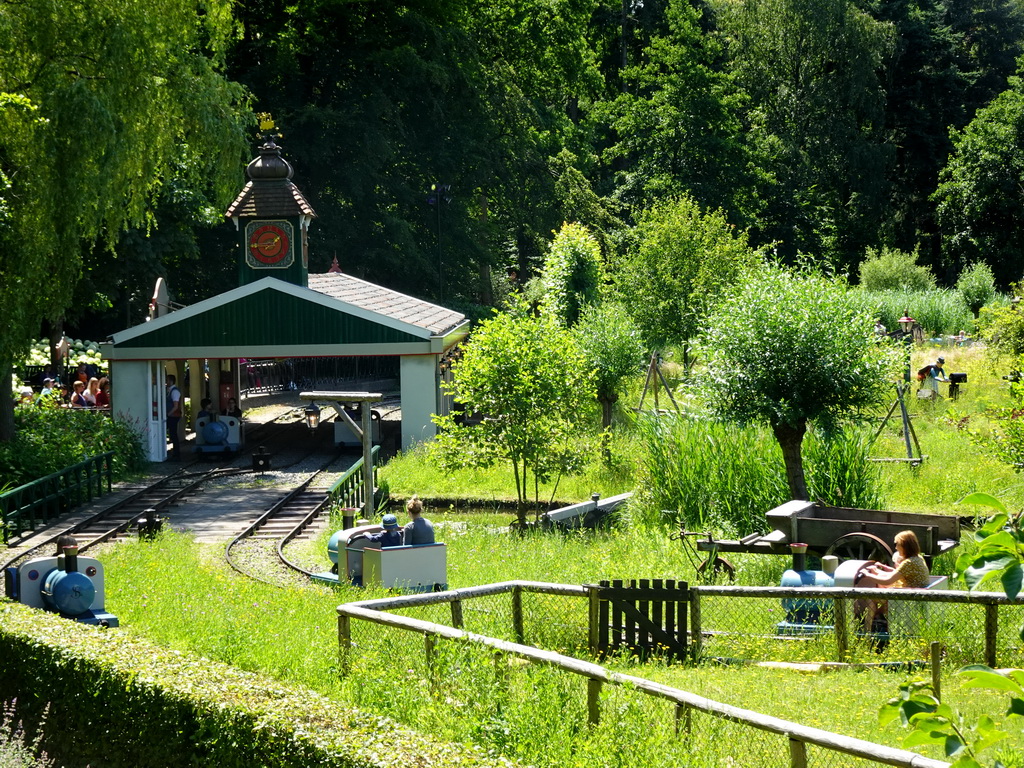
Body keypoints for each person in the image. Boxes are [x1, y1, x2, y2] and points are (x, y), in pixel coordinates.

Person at [855, 530, 930, 630]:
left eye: (896, 544)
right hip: (913, 590)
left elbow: (888, 580)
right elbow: (897, 573)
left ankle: (867, 628)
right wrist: (880, 568)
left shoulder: (908, 563)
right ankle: (880, 617)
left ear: (904, 545)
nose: (895, 548)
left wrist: (867, 575)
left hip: (907, 596)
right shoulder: (918, 558)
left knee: (870, 597)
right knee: (882, 586)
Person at [166, 374, 183, 460]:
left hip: (173, 416)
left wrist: (169, 413)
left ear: (171, 381)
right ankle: (175, 452)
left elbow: (176, 405)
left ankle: (176, 453)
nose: (166, 382)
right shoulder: (170, 390)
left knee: (173, 434)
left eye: (167, 380)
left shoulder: (175, 391)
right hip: (172, 415)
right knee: (172, 434)